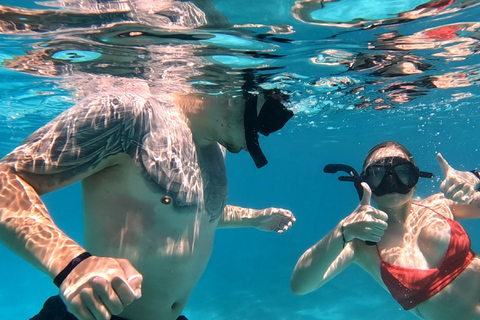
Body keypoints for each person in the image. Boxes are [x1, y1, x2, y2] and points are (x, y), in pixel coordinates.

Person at [0, 74, 296, 320]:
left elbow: (187, 212)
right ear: (235, 93)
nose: (256, 141)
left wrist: (255, 218)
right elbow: (6, 179)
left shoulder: (216, 146)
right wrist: (71, 264)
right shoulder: (129, 115)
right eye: (261, 124)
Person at [290, 141, 480, 319]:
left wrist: (473, 179)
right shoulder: (361, 243)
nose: (391, 181)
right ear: (364, 183)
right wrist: (342, 230)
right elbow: (300, 286)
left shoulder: (440, 204)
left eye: (402, 172)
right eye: (378, 174)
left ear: (415, 178)